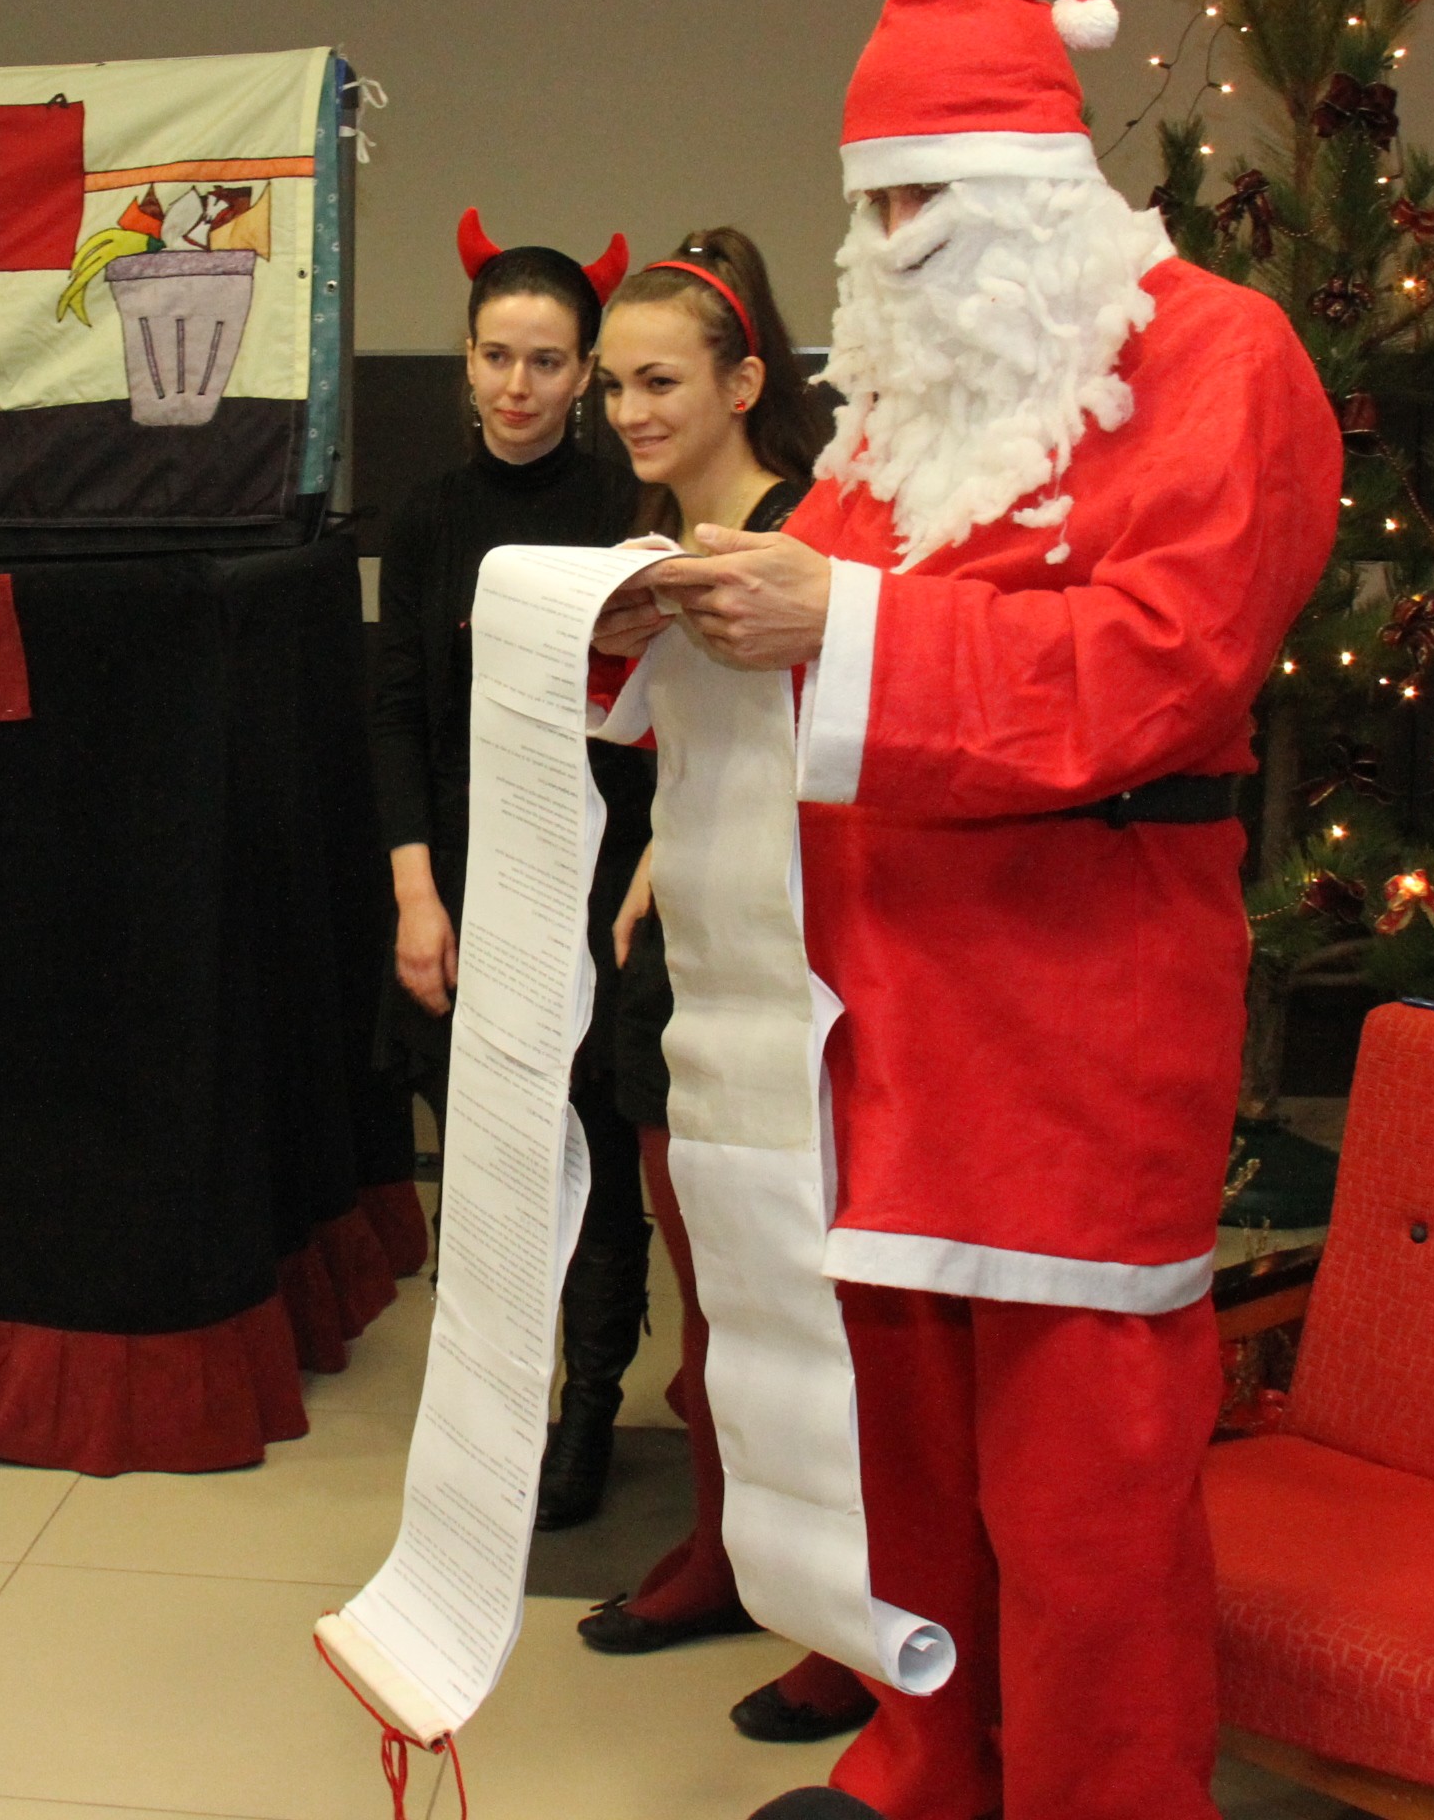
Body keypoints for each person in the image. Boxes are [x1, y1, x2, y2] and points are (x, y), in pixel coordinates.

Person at [606, 0, 1340, 1820]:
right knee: (901, 1449)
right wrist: (658, 618)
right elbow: (811, 600)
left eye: (928, 197)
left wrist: (832, 623)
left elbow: (1162, 665)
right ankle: (922, 1759)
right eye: (872, 204)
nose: (894, 238)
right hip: (878, 1026)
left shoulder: (1224, 362)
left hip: (1080, 1035)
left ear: (1039, 189)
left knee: (1087, 1492)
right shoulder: (907, 403)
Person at [570, 234, 879, 1744]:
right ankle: (724, 1555)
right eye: (614, 384)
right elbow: (672, 741)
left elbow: (849, 741)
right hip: (689, 959)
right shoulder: (655, 548)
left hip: (801, 974)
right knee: (713, 1310)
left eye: (659, 382)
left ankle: (841, 1613)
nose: (629, 411)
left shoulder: (807, 544)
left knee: (804, 1313)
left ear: (745, 384)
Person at [369, 211, 652, 1528]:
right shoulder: (429, 517)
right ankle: (488, 1413)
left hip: (594, 883)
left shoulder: (627, 512)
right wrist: (417, 897)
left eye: (546, 361)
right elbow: (395, 715)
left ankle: (587, 1412)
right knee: (486, 1167)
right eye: (496, 357)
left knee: (595, 1150)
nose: (518, 386)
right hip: (462, 884)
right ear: (467, 362)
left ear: (586, 372)